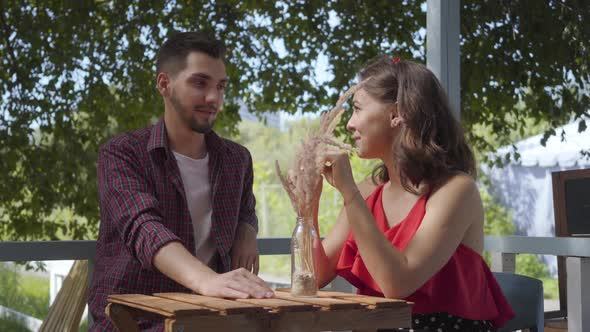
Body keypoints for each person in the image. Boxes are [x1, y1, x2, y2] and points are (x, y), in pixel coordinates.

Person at [88, 31, 274, 331]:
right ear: (164, 84)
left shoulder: (237, 159)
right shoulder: (122, 153)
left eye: (220, 86)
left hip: (209, 319)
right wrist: (207, 281)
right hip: (134, 321)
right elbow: (144, 228)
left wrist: (247, 228)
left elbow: (246, 206)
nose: (213, 98)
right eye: (199, 83)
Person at [315, 56, 515, 332]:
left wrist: (348, 193)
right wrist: (307, 206)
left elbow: (398, 283)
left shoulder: (456, 190)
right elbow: (314, 275)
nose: (350, 124)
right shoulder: (368, 190)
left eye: (358, 109)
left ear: (396, 114)